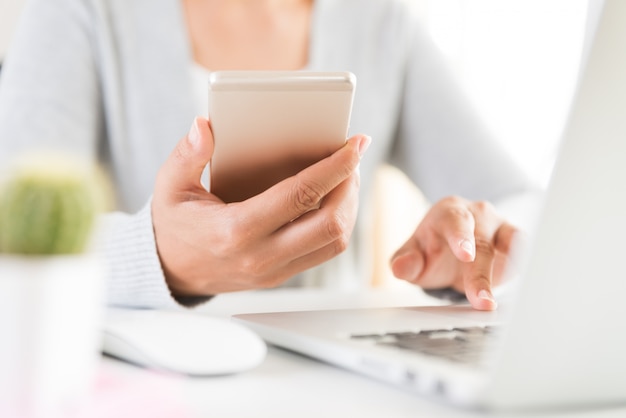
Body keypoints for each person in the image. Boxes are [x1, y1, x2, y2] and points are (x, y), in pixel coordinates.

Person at [0, 0, 540, 310]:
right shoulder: (84, 10)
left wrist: (482, 247)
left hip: (324, 390)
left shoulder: (377, 19)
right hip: (149, 387)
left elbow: (526, 207)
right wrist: (159, 258)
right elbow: (12, 240)